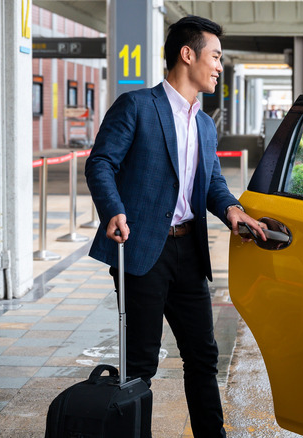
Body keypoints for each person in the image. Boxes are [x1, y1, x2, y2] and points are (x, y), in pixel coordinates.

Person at [85, 15, 265, 437]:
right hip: (142, 248)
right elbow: (101, 163)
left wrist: (233, 211)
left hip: (188, 252)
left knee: (203, 356)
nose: (220, 65)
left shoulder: (203, 123)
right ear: (188, 54)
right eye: (215, 55)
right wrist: (112, 209)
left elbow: (213, 183)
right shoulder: (137, 106)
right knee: (141, 364)